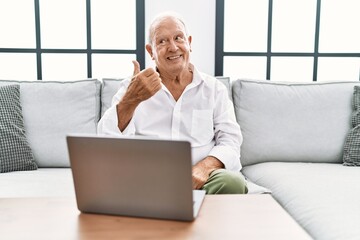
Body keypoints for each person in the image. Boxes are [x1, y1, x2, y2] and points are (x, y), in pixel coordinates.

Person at [98, 12, 247, 194]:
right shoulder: (134, 87)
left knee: (232, 182)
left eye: (178, 38)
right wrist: (132, 99)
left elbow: (230, 140)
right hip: (148, 178)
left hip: (202, 181)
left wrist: (204, 168)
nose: (173, 47)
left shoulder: (214, 89)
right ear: (150, 51)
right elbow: (106, 141)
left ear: (189, 43)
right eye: (162, 41)